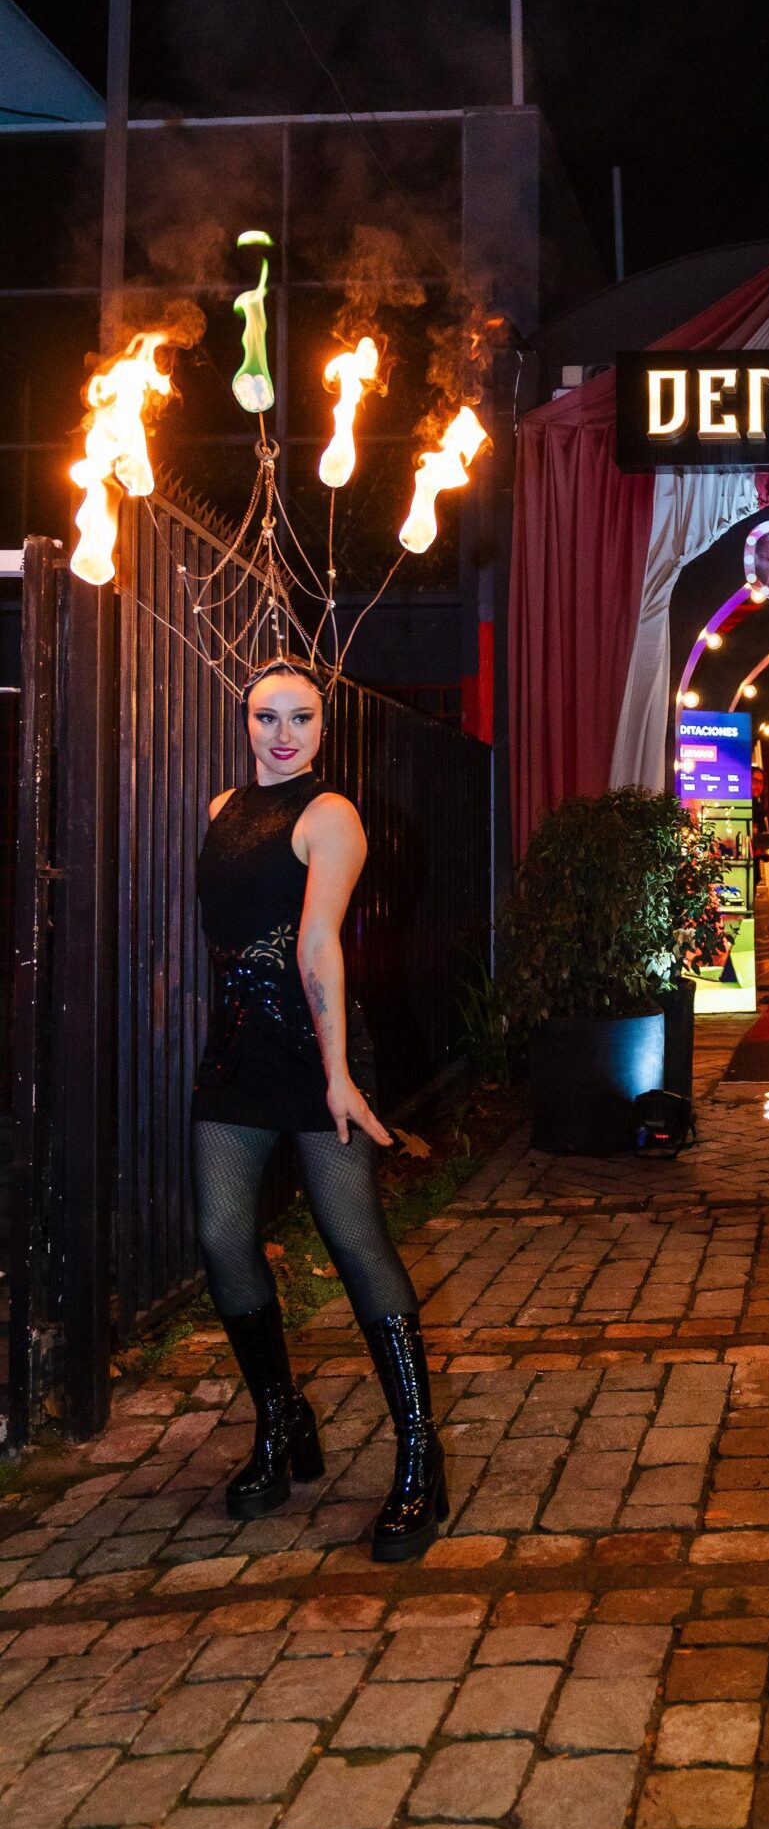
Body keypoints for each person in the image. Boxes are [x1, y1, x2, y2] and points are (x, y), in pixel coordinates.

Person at [192, 655, 447, 1562]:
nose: (283, 734)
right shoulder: (222, 810)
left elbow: (317, 944)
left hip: (317, 1049)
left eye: (300, 717)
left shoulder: (330, 813)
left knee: (353, 1242)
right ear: (246, 720)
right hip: (239, 1049)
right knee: (222, 1236)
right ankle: (281, 1423)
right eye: (267, 716)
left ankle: (418, 1457)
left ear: (323, 727)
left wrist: (339, 1073)